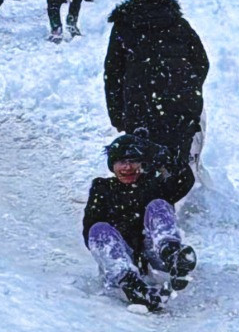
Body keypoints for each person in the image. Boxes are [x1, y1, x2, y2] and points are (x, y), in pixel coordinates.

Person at [103, 0, 208, 198]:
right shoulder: (179, 24)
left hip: (139, 105)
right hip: (178, 106)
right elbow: (201, 62)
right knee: (176, 161)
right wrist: (187, 89)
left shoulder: (125, 25)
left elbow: (113, 73)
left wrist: (117, 113)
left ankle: (145, 208)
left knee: (142, 160)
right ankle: (166, 205)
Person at [82, 133, 196, 312]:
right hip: (122, 261)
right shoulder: (102, 190)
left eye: (133, 161)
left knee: (158, 205)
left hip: (154, 254)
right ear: (112, 165)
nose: (127, 167)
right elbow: (90, 234)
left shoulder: (152, 184)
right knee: (97, 229)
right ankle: (133, 287)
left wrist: (159, 153)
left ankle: (173, 256)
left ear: (142, 163)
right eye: (121, 162)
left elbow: (185, 180)